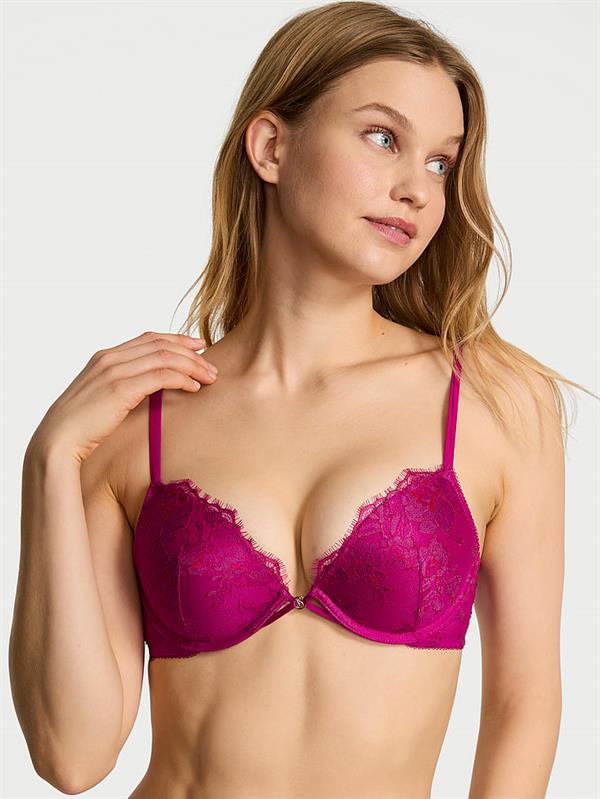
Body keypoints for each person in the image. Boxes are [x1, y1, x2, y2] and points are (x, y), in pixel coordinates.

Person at [9, 2, 593, 796]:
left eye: (440, 163)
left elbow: (524, 702)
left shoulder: (495, 401)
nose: (416, 189)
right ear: (271, 147)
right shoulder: (138, 421)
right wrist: (48, 460)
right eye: (382, 137)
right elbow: (73, 757)